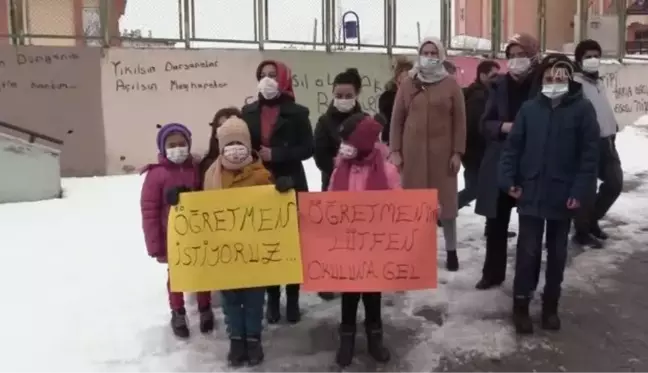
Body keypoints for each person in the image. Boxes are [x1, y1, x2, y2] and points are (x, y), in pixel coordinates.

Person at [499, 54, 599, 334]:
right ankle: (521, 305)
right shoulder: (530, 110)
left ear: (569, 80)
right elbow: (512, 150)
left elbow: (589, 158)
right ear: (541, 80)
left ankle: (550, 306)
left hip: (563, 195)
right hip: (531, 193)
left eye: (560, 78)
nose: (554, 83)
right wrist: (508, 180)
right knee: (527, 252)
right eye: (549, 78)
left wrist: (579, 191)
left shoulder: (582, 110)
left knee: (557, 253)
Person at [199, 116, 294, 366]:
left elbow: (275, 209)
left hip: (255, 253)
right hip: (225, 253)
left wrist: (282, 189)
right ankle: (236, 339)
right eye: (229, 144)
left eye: (239, 143)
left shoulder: (262, 175)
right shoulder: (211, 176)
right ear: (220, 147)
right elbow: (201, 210)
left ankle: (253, 338)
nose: (235, 149)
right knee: (230, 300)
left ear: (248, 144)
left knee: (254, 299)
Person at [241, 59, 313, 324]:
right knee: (266, 242)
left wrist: (278, 154)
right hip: (259, 184)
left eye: (273, 75)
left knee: (292, 243)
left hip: (291, 181)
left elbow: (309, 148)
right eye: (263, 74)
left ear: (283, 79)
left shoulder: (298, 112)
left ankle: (292, 298)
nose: (268, 79)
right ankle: (272, 298)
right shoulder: (247, 112)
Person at [389, 37, 466, 271]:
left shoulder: (450, 83)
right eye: (426, 52)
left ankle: (451, 252)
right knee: (416, 207)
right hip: (412, 154)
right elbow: (397, 119)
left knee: (447, 206)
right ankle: (418, 253)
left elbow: (460, 121)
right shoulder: (408, 83)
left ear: (441, 55)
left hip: (443, 155)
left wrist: (457, 152)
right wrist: (395, 150)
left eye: (434, 53)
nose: (430, 57)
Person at [329, 113, 398, 367]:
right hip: (348, 245)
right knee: (349, 295)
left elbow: (399, 203)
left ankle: (374, 338)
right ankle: (346, 338)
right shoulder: (340, 169)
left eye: (348, 140)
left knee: (372, 295)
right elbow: (329, 201)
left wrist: (423, 212)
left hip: (374, 247)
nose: (344, 145)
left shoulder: (387, 171)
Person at [474, 33, 540, 290]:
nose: (515, 61)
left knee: (530, 226)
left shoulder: (541, 84)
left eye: (521, 55)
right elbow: (484, 124)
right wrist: (503, 126)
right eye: (511, 56)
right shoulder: (498, 85)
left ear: (533, 55)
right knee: (496, 222)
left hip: (531, 163)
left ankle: (526, 280)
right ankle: (492, 272)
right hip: (501, 162)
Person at [140, 123, 214, 338]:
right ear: (163, 148)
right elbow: (150, 212)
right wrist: (156, 245)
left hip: (199, 232)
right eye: (172, 145)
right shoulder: (156, 175)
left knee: (202, 273)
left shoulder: (196, 168)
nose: (178, 149)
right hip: (172, 237)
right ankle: (178, 312)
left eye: (182, 144)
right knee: (177, 276)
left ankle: (205, 307)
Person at [313, 67, 364, 302]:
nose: (343, 100)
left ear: (357, 95)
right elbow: (319, 155)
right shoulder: (324, 122)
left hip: (359, 188)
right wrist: (336, 163)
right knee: (331, 237)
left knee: (354, 235)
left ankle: (353, 275)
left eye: (348, 95)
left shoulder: (365, 121)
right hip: (333, 186)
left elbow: (374, 152)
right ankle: (327, 280)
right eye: (339, 95)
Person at [572, 39, 624, 249]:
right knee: (587, 188)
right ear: (579, 60)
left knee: (614, 183)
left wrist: (613, 125)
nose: (593, 60)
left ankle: (590, 221)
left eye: (596, 56)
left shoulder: (598, 82)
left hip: (608, 141)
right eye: (588, 56)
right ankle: (582, 230)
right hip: (589, 144)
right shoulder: (575, 84)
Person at [458, 60, 500, 211]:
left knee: (485, 189)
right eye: (493, 76)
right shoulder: (479, 97)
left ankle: (492, 227)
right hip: (475, 152)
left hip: (474, 151)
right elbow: (474, 127)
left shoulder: (481, 93)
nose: (497, 79)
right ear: (482, 75)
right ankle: (443, 213)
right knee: (475, 189)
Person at [378, 57, 413, 145]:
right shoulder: (387, 98)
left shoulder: (418, 96)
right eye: (404, 79)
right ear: (397, 79)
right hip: (391, 141)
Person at [199, 107, 242, 179]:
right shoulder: (207, 164)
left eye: (233, 125)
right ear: (215, 133)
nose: (228, 130)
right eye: (222, 126)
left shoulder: (253, 161)